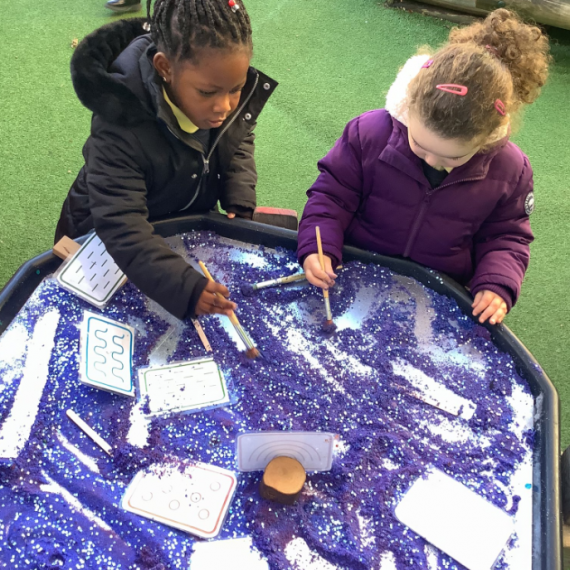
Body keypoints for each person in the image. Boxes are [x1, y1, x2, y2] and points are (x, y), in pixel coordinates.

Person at [297, 9, 549, 326]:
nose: (432, 161)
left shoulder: (511, 171)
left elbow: (506, 237)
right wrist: (319, 245)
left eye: (453, 158)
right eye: (419, 145)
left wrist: (497, 283)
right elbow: (332, 196)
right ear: (410, 105)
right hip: (354, 269)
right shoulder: (369, 134)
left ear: (485, 139)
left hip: (437, 293)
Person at [56, 0, 277, 320]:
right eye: (207, 93)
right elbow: (122, 226)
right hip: (104, 240)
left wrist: (238, 190)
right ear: (164, 68)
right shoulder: (119, 124)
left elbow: (238, 136)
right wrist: (182, 286)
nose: (225, 107)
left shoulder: (217, 86)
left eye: (236, 89)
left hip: (181, 224)